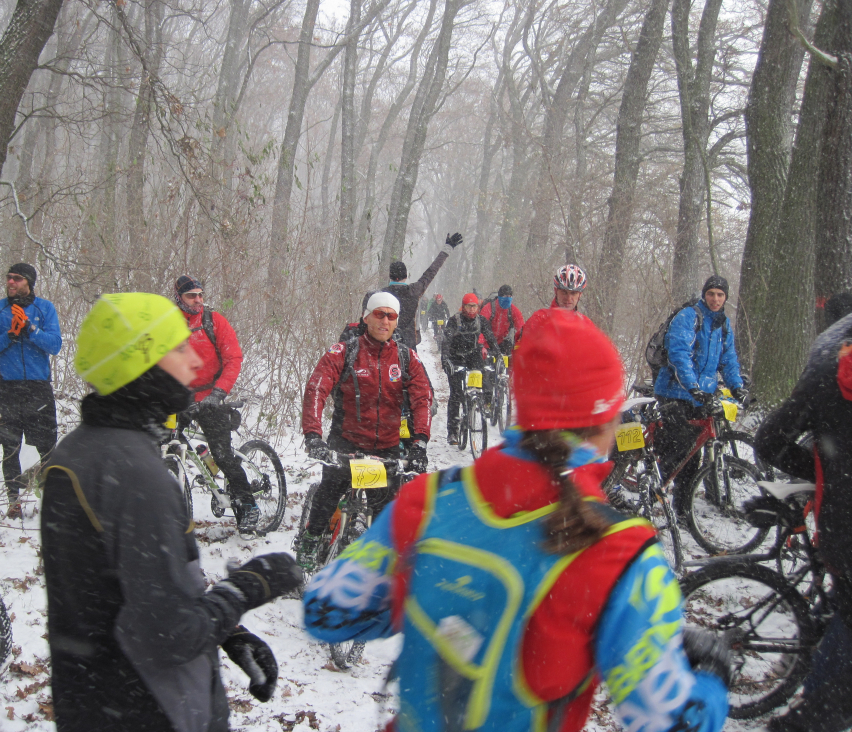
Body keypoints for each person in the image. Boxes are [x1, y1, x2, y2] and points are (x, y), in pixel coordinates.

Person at [304, 308, 730, 732]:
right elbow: (673, 721)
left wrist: (419, 597)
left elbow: (328, 611)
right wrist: (710, 677)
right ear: (604, 420)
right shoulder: (622, 555)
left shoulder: (428, 503)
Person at [42, 292, 302, 732]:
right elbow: (170, 634)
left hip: (90, 700)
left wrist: (228, 634)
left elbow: (130, 591)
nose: (195, 363)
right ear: (142, 363)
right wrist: (249, 587)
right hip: (155, 709)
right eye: (178, 348)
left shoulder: (75, 454)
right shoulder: (138, 475)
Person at [756, 304, 852, 732]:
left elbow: (769, 440)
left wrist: (827, 474)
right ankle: (810, 717)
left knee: (842, 606)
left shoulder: (824, 368)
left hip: (837, 524)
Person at [299, 291, 433, 570]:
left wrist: (419, 443)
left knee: (387, 519)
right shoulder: (344, 352)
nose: (385, 321)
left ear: (397, 322)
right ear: (367, 316)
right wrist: (313, 436)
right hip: (345, 443)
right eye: (379, 314)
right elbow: (317, 388)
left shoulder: (406, 358)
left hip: (384, 448)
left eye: (391, 316)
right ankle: (310, 540)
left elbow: (422, 398)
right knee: (329, 494)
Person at [172, 275, 256, 533]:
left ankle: (248, 506)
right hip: (180, 397)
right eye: (191, 295)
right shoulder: (167, 323)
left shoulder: (213, 321)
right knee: (165, 442)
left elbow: (233, 358)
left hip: (211, 396)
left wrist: (219, 393)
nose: (198, 300)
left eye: (200, 294)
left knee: (222, 454)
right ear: (179, 298)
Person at [0, 263, 62, 519]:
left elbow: (55, 345)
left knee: (47, 448)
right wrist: (10, 335)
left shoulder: (44, 308)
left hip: (38, 389)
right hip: (7, 389)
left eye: (16, 278)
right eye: (8, 277)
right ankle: (13, 501)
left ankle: (51, 501)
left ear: (29, 282)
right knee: (10, 447)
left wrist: (30, 329)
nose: (10, 282)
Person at [653, 275, 746, 489]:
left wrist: (737, 386)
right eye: (711, 294)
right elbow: (679, 354)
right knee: (680, 448)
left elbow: (728, 359)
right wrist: (692, 386)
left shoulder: (723, 325)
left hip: (701, 396)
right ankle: (657, 490)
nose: (715, 299)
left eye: (720, 295)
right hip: (675, 391)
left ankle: (686, 504)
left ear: (725, 298)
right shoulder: (689, 316)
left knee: (694, 454)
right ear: (704, 295)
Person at [385, 232, 463, 346]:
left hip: (384, 345)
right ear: (406, 276)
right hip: (408, 345)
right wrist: (448, 248)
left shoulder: (379, 295)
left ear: (390, 276)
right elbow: (431, 271)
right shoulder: (414, 290)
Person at [441, 293, 499, 445]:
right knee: (456, 394)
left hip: (473, 355)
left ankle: (478, 402)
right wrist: (445, 358)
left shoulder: (481, 321)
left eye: (474, 306)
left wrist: (497, 353)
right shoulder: (455, 321)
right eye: (469, 306)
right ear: (463, 306)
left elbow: (490, 337)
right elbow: (446, 340)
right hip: (455, 357)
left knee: (483, 379)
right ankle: (453, 432)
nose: (472, 310)